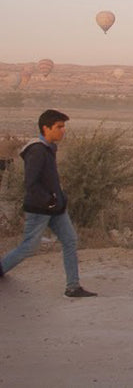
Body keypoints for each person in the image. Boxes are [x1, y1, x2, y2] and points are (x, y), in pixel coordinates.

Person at [0, 110, 96, 297]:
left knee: (70, 240)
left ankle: (73, 287)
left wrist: (59, 199)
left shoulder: (48, 149)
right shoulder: (36, 151)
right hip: (40, 209)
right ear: (46, 128)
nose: (63, 131)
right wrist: (50, 200)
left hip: (56, 208)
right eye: (59, 127)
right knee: (29, 247)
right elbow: (31, 183)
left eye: (63, 127)